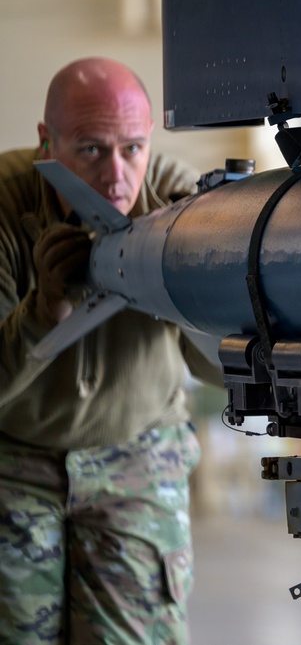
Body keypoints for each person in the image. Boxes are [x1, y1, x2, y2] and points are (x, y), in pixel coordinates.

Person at [0, 58, 220, 643]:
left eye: (133, 148)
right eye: (92, 150)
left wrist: (197, 296)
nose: (117, 177)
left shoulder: (185, 204)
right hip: (14, 460)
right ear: (47, 143)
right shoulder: (3, 206)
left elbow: (219, 370)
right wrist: (39, 314)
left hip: (139, 455)